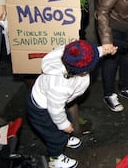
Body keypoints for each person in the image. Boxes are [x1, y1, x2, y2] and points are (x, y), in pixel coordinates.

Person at [26, 39, 116, 168]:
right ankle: (55, 158)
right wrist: (63, 125)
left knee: (66, 118)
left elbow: (86, 54)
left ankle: (65, 138)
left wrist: (103, 50)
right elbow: (55, 110)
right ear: (82, 71)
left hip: (54, 104)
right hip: (43, 110)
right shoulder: (59, 85)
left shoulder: (70, 54)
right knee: (55, 135)